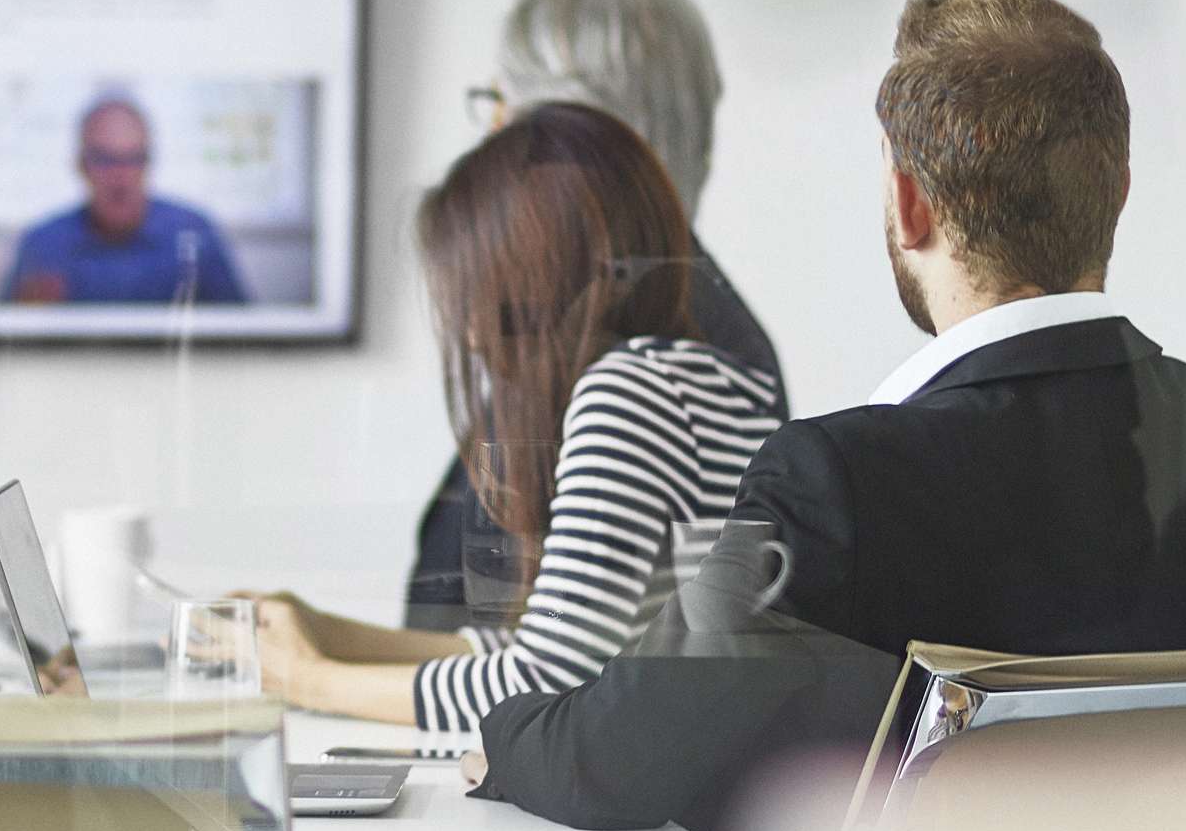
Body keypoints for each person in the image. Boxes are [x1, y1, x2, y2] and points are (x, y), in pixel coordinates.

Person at [478, 0, 1186, 831]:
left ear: (911, 206)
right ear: (1118, 192)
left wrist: (498, 732)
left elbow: (602, 760)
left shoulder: (833, 485)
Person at [251, 103, 787, 728]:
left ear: (536, 281)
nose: (472, 335)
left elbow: (545, 683)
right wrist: (325, 635)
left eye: (476, 295)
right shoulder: (705, 378)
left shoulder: (629, 392)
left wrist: (309, 680)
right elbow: (550, 648)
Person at [409, 0, 786, 627]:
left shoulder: (645, 346)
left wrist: (316, 671)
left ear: (567, 139)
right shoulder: (646, 310)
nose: (491, 138)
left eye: (505, 109)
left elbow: (545, 665)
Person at [0, 91, 249, 305]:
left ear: (149, 163)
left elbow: (245, 338)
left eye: (134, 159)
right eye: (105, 159)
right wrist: (23, 318)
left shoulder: (194, 234)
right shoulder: (43, 244)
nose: (121, 176)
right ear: (81, 165)